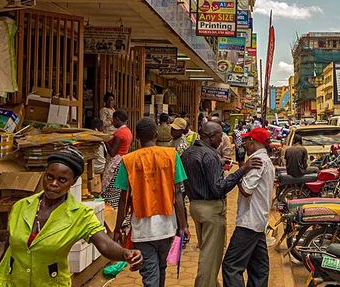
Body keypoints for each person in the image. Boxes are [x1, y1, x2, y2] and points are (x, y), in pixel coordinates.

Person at [0, 148, 143, 287]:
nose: (53, 184)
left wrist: (125, 253)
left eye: (62, 180)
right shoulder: (20, 206)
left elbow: (104, 244)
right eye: (49, 177)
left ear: (73, 182)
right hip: (10, 282)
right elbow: (9, 248)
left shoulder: (79, 215)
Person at [182, 122, 262, 287]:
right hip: (211, 209)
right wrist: (242, 170)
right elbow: (219, 188)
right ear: (211, 136)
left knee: (207, 251)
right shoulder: (209, 155)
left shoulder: (188, 153)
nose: (222, 139)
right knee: (210, 258)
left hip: (195, 207)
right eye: (220, 136)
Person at [113, 118, 189, 287]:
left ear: (137, 137)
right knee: (161, 269)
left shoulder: (128, 160)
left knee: (150, 276)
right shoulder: (171, 155)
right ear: (156, 134)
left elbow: (123, 200)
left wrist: (118, 228)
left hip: (142, 231)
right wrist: (183, 225)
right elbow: (178, 194)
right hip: (167, 227)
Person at [223, 128, 275, 287]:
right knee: (259, 268)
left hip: (249, 222)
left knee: (231, 266)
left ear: (253, 142)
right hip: (258, 221)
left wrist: (241, 171)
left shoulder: (256, 161)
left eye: (246, 141)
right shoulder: (265, 160)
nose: (244, 144)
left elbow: (246, 190)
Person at [102, 110, 134, 208]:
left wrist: (104, 140)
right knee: (118, 191)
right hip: (124, 161)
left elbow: (112, 153)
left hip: (116, 163)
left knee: (110, 192)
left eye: (113, 120)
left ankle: (111, 215)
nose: (112, 122)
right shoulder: (128, 131)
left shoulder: (119, 133)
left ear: (117, 119)